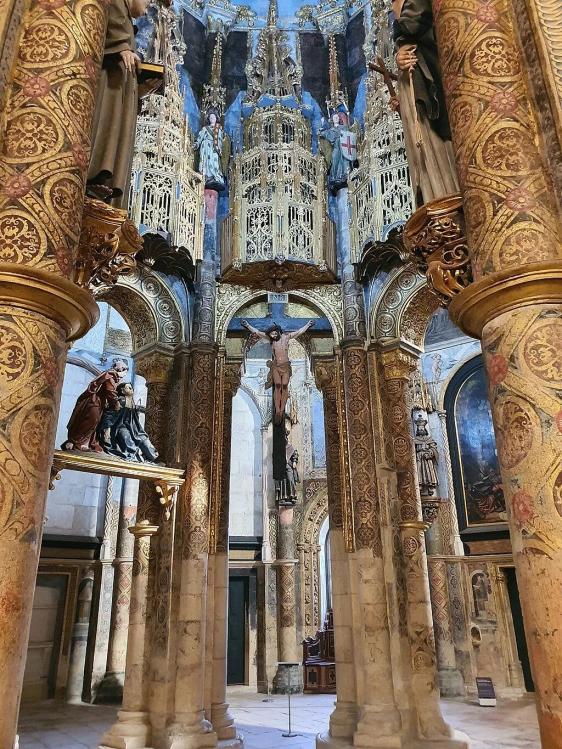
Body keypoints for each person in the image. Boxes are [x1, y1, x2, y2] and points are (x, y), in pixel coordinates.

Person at [87, 0, 155, 205]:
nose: (147, 9)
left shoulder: (127, 21)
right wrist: (121, 47)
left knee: (117, 129)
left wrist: (142, 91)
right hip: (110, 87)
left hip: (119, 92)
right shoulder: (116, 5)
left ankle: (104, 179)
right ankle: (96, 174)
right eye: (149, 1)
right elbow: (104, 28)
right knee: (107, 124)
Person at [392, 0, 459, 205]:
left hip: (432, 88)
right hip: (416, 89)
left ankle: (446, 200)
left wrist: (401, 45)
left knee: (438, 151)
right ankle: (436, 201)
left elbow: (413, 23)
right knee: (423, 156)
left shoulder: (410, 17)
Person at [241, 319, 314, 424]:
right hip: (276, 366)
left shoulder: (286, 337)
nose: (274, 335)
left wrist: (307, 325)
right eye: (271, 334)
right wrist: (248, 325)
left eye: (275, 333)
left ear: (278, 331)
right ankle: (278, 411)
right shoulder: (271, 340)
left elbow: (299, 332)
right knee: (278, 385)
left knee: (284, 385)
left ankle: (281, 409)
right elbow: (257, 332)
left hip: (285, 366)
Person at [62, 359, 129, 452]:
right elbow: (110, 391)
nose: (124, 375)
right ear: (121, 369)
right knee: (90, 422)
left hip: (97, 402)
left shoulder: (109, 375)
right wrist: (116, 402)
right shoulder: (110, 375)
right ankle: (77, 443)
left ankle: (83, 443)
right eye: (125, 372)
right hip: (94, 402)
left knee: (93, 423)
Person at [99, 382, 159, 462]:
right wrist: (107, 428)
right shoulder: (120, 401)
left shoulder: (132, 402)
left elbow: (134, 412)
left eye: (131, 388)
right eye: (128, 388)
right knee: (127, 438)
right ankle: (134, 458)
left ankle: (153, 458)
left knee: (144, 440)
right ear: (122, 391)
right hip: (120, 426)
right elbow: (109, 415)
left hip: (134, 427)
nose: (131, 389)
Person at [319, 106, 361, 193]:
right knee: (335, 159)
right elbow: (322, 133)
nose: (336, 118)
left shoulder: (343, 127)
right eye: (334, 117)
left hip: (343, 146)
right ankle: (335, 177)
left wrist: (348, 114)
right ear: (332, 120)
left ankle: (346, 175)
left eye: (337, 117)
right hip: (336, 147)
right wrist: (321, 125)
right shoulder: (331, 130)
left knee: (345, 160)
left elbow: (349, 133)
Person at [194, 108, 231, 191]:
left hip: (214, 148)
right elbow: (199, 138)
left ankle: (215, 177)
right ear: (208, 119)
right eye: (210, 117)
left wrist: (220, 148)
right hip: (205, 147)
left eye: (213, 117)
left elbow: (221, 140)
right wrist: (196, 144)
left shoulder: (219, 129)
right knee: (206, 162)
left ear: (216, 118)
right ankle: (206, 176)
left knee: (215, 162)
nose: (212, 119)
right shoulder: (205, 129)